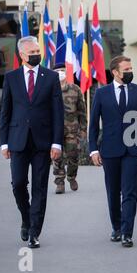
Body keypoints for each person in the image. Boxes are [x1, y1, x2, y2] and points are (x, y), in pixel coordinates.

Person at [0, 36, 64, 249]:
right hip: (17, 141)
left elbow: (57, 113)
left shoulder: (51, 77)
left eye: (38, 51)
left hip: (42, 142)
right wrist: (4, 143)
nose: (37, 55)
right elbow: (5, 112)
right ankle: (26, 219)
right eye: (32, 52)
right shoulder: (11, 77)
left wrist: (57, 143)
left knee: (40, 187)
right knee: (18, 184)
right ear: (22, 55)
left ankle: (34, 231)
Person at [88, 55, 137, 248]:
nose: (130, 72)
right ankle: (116, 227)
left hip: (132, 150)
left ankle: (127, 232)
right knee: (113, 192)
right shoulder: (102, 93)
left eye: (131, 68)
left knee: (130, 192)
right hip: (109, 150)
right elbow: (93, 125)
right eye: (126, 70)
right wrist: (93, 150)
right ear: (115, 72)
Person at [51, 63, 87, 194]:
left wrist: (83, 129)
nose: (60, 73)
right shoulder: (49, 90)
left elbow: (82, 111)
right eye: (57, 71)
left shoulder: (75, 89)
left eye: (62, 70)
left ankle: (72, 177)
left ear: (66, 72)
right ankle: (59, 182)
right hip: (55, 131)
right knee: (57, 157)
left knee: (73, 155)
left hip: (72, 129)